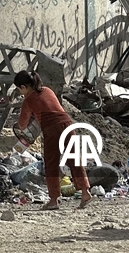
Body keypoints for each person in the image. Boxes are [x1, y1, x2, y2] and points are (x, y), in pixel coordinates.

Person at [13, 70, 91, 211]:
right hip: (67, 123)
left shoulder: (28, 100)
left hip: (52, 130)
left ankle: (54, 199)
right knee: (74, 159)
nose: (20, 92)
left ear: (24, 87)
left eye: (19, 89)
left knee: (51, 163)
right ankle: (85, 192)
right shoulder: (48, 90)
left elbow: (22, 125)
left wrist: (19, 125)